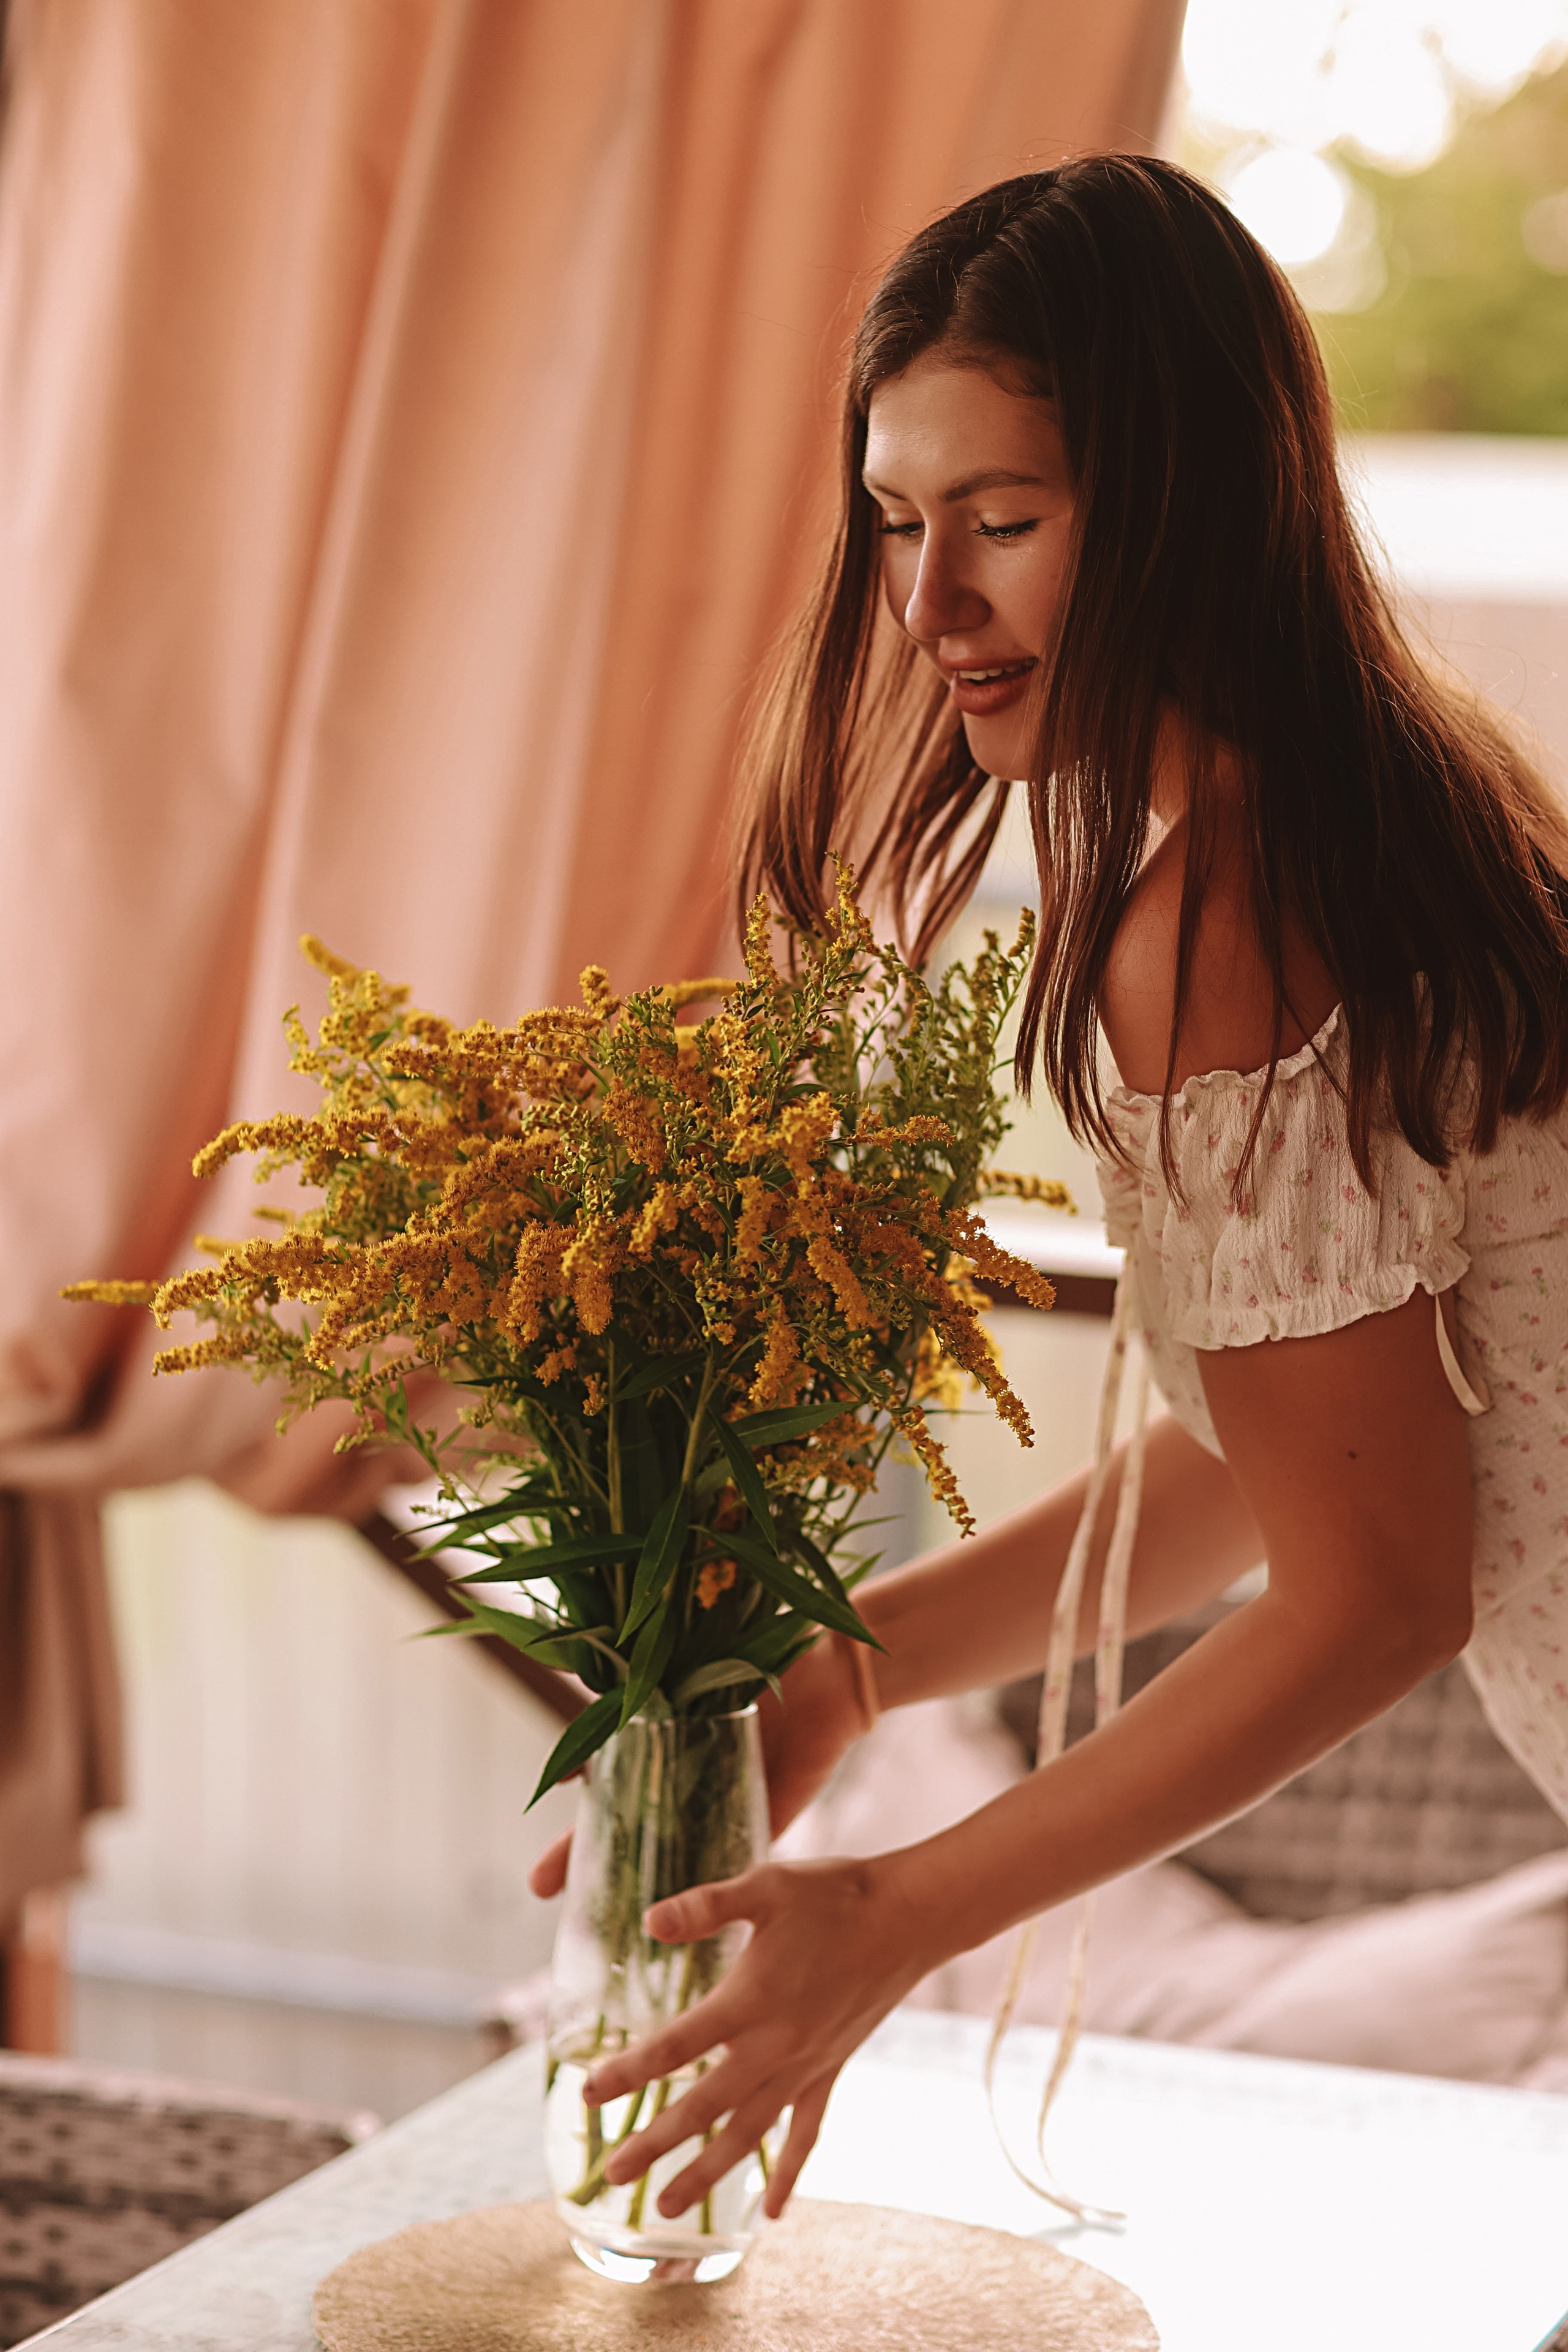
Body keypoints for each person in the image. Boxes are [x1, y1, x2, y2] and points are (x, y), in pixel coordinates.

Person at [529, 154, 1568, 2227]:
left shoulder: (1233, 915)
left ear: (1196, 504)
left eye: (1003, 522)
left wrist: (892, 1920)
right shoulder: (1408, 799)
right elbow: (1293, 1447)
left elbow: (1378, 1591)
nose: (930, 609)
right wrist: (858, 1658)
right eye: (899, 525)